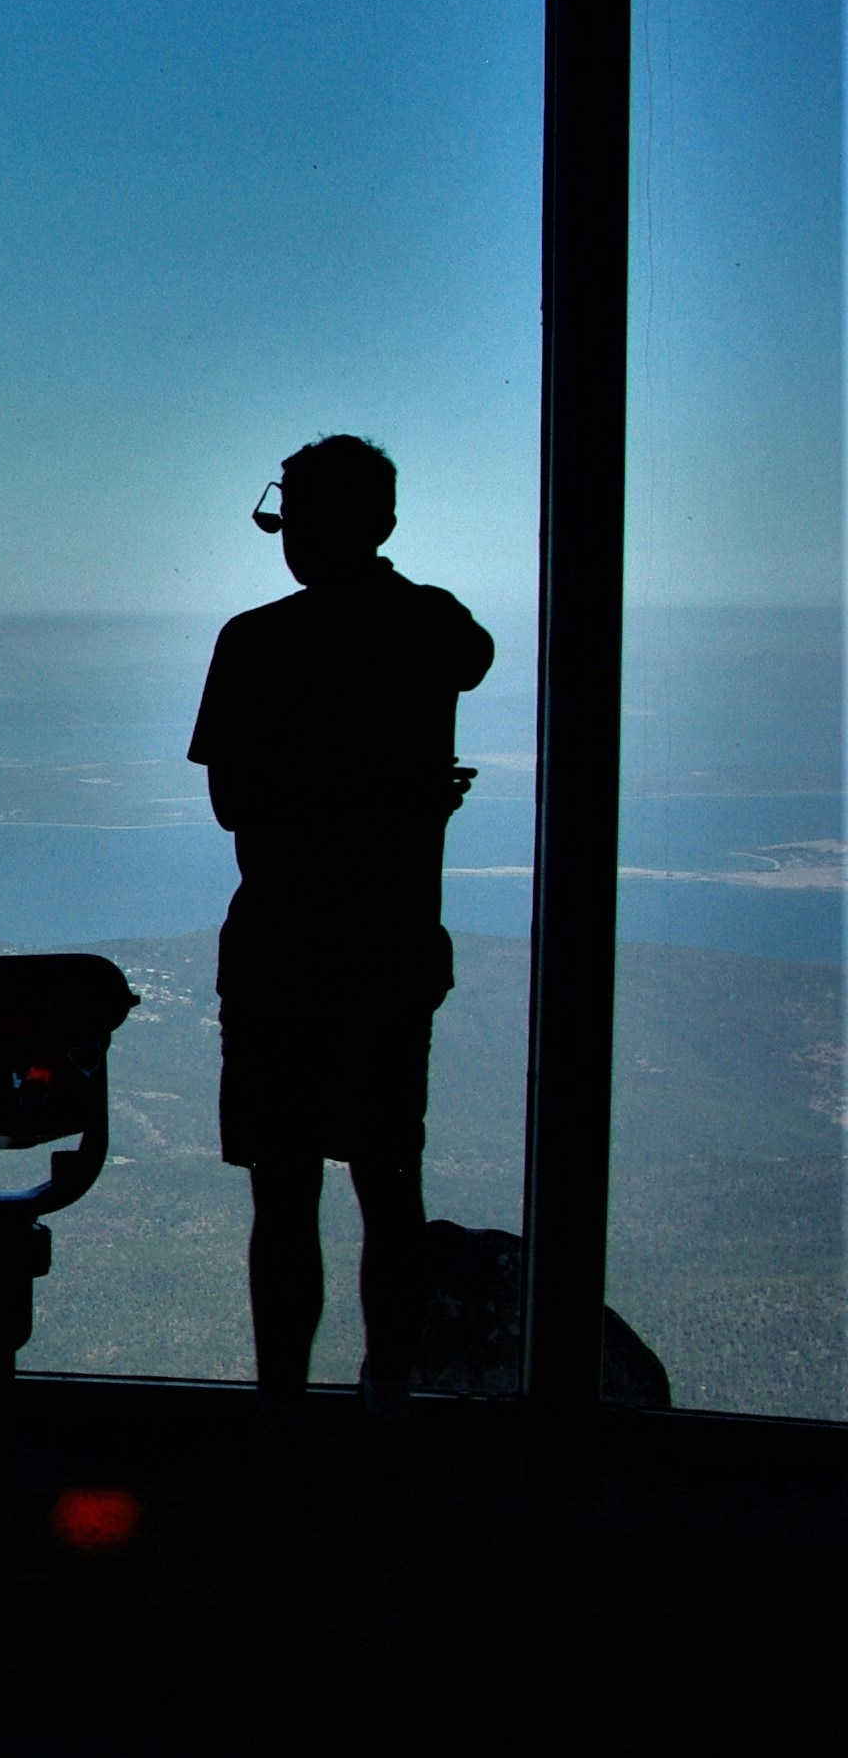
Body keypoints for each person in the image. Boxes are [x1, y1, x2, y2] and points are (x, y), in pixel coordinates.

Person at [190, 435, 495, 1420]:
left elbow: (234, 804)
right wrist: (403, 797)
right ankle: (388, 1402)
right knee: (387, 1182)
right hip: (389, 951)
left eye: (289, 521)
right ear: (383, 524)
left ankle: (281, 1410)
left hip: (279, 951)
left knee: (283, 1197)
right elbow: (472, 655)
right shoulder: (429, 626)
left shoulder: (253, 642)